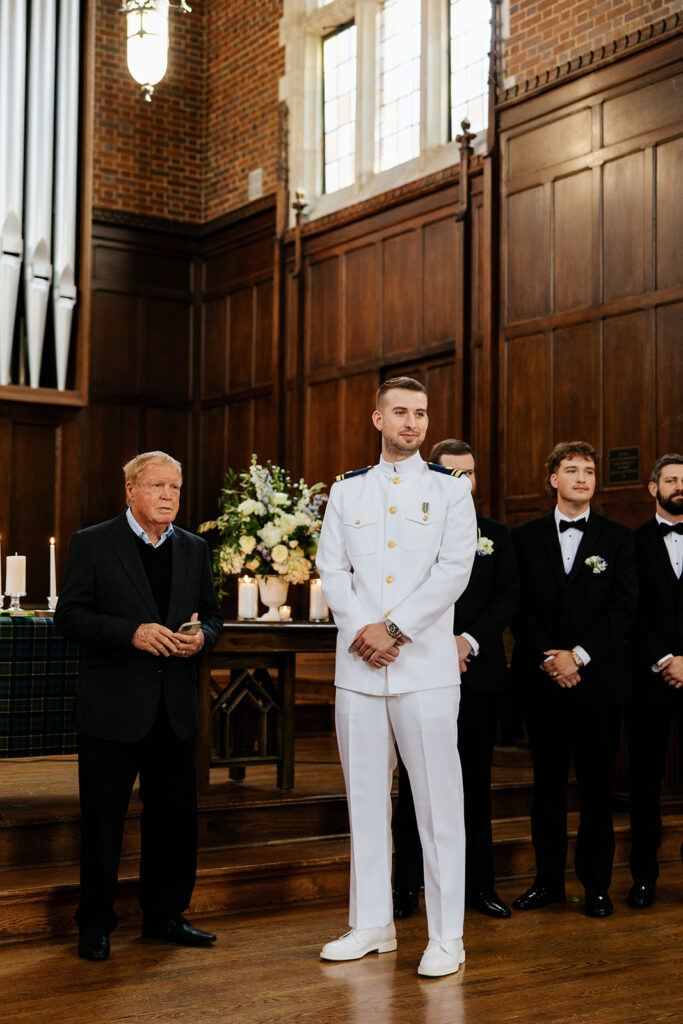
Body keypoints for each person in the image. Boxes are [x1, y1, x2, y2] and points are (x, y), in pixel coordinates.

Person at [316, 377, 477, 978]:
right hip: (359, 669)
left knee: (438, 806)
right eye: (401, 412)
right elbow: (332, 568)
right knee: (364, 801)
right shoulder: (347, 490)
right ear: (377, 419)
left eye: (421, 413)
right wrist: (364, 631)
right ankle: (371, 924)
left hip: (425, 670)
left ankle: (446, 936)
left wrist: (394, 630)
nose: (412, 422)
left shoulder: (450, 490)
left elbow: (454, 570)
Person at [55, 451, 222, 961]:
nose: (169, 496)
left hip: (174, 709)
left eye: (175, 487)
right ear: (131, 490)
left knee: (173, 821)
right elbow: (70, 617)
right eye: (157, 486)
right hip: (113, 709)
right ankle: (95, 923)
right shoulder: (92, 543)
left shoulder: (194, 548)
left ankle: (164, 915)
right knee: (103, 822)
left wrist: (203, 638)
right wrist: (132, 632)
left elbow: (212, 616)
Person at [392, 439, 519, 921]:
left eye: (470, 473)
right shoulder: (410, 531)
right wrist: (435, 644)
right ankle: (407, 885)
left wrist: (466, 642)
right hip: (420, 669)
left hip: (478, 674)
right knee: (414, 783)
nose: (464, 482)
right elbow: (400, 596)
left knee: (474, 783)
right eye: (454, 473)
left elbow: (507, 597)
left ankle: (478, 886)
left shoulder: (495, 534)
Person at [510, 441, 637, 918]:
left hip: (598, 683)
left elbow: (623, 608)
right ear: (553, 479)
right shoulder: (523, 537)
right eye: (571, 470)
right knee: (546, 788)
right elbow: (517, 605)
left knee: (597, 789)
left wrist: (578, 657)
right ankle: (547, 882)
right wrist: (552, 660)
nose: (582, 478)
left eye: (588, 471)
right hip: (543, 683)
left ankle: (597, 885)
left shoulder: (619, 539)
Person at [625, 453, 683, 908]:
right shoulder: (632, 543)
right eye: (671, 480)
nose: (679, 486)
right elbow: (631, 609)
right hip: (648, 680)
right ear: (653, 488)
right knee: (645, 783)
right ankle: (643, 877)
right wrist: (665, 659)